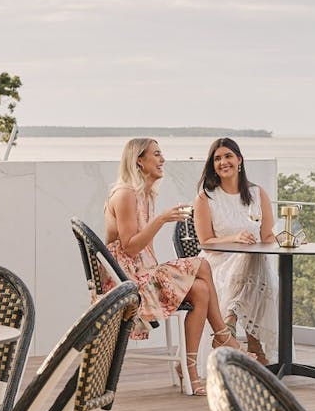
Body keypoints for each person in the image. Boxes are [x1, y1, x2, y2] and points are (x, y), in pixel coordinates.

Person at [103, 137, 241, 396]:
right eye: (156, 154)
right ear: (139, 161)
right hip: (126, 282)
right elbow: (130, 247)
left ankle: (189, 371)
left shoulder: (143, 195)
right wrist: (162, 219)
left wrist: (158, 268)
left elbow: (145, 250)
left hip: (141, 274)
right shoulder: (124, 195)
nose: (162, 159)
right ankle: (223, 336)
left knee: (200, 289)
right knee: (201, 264)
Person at [192, 137, 278, 366]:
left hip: (253, 265)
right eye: (217, 158)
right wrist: (234, 238)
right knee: (254, 262)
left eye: (228, 156)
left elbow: (268, 237)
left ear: (239, 160)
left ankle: (228, 326)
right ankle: (255, 346)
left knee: (254, 257)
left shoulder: (257, 193)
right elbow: (205, 242)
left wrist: (286, 239)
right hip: (217, 264)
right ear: (212, 165)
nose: (223, 162)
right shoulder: (206, 197)